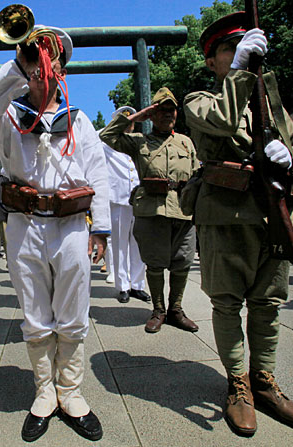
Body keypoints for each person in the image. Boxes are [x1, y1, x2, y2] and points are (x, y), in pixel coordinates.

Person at [0, 25, 110, 442]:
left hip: (70, 225)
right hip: (24, 224)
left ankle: (71, 392)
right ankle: (44, 392)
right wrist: (18, 66)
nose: (45, 70)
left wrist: (99, 229)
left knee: (73, 312)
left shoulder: (79, 120)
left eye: (52, 62)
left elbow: (98, 175)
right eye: (38, 61)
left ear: (63, 70)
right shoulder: (7, 118)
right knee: (34, 314)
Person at [183, 12, 293, 436]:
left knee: (268, 304)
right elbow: (220, 121)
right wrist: (239, 71)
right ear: (212, 61)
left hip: (274, 215)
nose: (243, 49)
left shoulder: (271, 100)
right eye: (229, 48)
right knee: (227, 303)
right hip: (225, 217)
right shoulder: (199, 99)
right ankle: (238, 384)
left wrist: (288, 156)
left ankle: (264, 381)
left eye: (246, 43)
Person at [100, 87, 199, 334]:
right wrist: (137, 116)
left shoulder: (186, 142)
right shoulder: (138, 142)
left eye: (171, 110)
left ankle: (176, 309)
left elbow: (197, 175)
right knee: (154, 265)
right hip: (151, 210)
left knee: (182, 262)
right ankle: (158, 310)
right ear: (153, 114)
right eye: (161, 110)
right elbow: (106, 135)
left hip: (183, 211)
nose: (168, 114)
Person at [100, 106, 149, 304]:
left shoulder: (140, 140)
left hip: (139, 198)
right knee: (120, 244)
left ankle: (138, 284)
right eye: (124, 119)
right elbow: (103, 134)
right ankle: (123, 286)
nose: (129, 123)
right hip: (118, 197)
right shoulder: (104, 142)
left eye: (131, 119)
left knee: (139, 244)